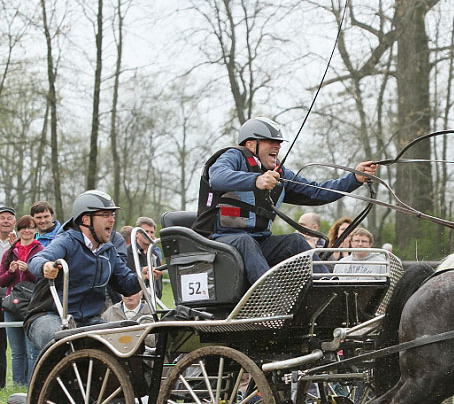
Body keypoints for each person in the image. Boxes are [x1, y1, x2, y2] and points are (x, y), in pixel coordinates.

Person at [193, 117, 377, 284]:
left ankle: (328, 289)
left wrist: (354, 178)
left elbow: (319, 192)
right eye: (270, 141)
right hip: (221, 242)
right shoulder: (234, 156)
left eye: (279, 143)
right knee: (245, 240)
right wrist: (255, 180)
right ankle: (269, 299)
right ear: (250, 144)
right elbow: (217, 177)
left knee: (295, 241)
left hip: (259, 243)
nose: (277, 146)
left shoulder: (280, 173)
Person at [26, 190, 156, 355]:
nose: (112, 220)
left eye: (113, 215)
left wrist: (142, 276)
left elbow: (126, 285)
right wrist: (45, 266)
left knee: (126, 342)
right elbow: (36, 260)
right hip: (49, 316)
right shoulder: (66, 241)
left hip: (88, 320)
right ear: (86, 219)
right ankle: (51, 380)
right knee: (64, 343)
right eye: (105, 215)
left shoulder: (108, 251)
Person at [0, 216, 44, 384]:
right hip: (12, 305)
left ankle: (30, 385)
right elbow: (1, 280)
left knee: (31, 350)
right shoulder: (10, 252)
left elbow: (43, 278)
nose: (27, 231)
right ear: (18, 231)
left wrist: (28, 270)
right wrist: (11, 272)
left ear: (35, 230)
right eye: (23, 228)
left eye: (30, 228)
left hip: (32, 305)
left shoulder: (41, 250)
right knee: (17, 351)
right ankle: (17, 385)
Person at [126, 216, 163, 298]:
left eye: (152, 232)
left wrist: (158, 295)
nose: (148, 235)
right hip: (132, 304)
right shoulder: (126, 253)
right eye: (145, 231)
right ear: (136, 233)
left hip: (152, 304)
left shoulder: (155, 255)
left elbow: (158, 281)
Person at [0, 205, 15, 388]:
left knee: (4, 342)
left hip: (11, 296)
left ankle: (2, 384)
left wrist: (14, 247)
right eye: (2, 217)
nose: (5, 221)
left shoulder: (18, 241)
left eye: (9, 218)